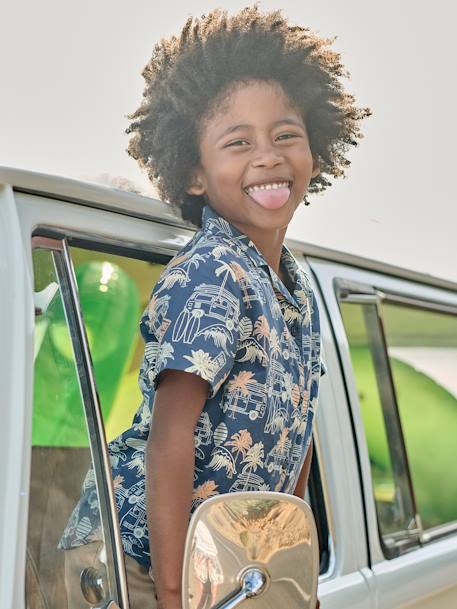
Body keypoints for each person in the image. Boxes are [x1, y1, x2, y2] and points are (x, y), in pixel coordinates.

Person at [60, 6, 370, 609]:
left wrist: (284, 551)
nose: (268, 156)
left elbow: (296, 432)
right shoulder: (212, 272)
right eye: (238, 143)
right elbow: (170, 439)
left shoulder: (296, 283)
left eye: (286, 135)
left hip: (223, 562)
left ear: (316, 149)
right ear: (195, 174)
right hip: (138, 557)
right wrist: (175, 591)